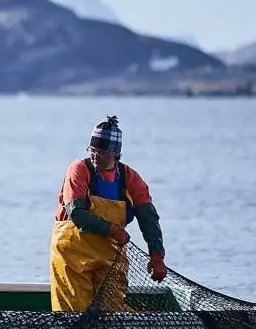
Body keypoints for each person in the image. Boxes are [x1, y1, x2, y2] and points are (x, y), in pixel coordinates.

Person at [49, 115, 167, 312]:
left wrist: (157, 256)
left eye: (102, 152)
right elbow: (76, 213)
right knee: (74, 311)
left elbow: (149, 219)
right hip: (72, 255)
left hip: (110, 255)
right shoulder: (79, 170)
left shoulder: (130, 178)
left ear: (115, 155)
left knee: (113, 310)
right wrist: (112, 229)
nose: (95, 156)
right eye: (92, 150)